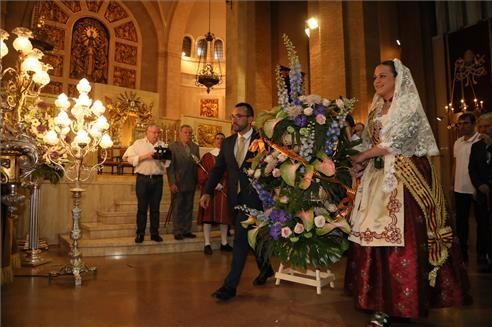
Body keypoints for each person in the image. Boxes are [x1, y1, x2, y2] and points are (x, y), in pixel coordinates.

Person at [344, 59, 472, 326]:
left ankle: (401, 301)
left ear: (397, 78)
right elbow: (372, 141)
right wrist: (361, 163)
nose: (377, 81)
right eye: (374, 77)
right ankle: (376, 298)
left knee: (402, 237)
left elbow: (396, 142)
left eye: (382, 76)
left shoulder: (408, 105)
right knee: (371, 237)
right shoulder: (376, 107)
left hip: (404, 176)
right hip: (377, 179)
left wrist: (363, 156)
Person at [199, 102, 274, 302]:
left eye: (239, 116)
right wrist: (207, 192)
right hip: (235, 198)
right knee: (254, 238)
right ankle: (266, 268)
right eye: (232, 116)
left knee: (240, 240)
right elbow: (218, 170)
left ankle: (230, 286)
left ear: (250, 119)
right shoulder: (229, 142)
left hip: (256, 199)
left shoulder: (263, 141)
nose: (234, 120)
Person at [123, 124, 170, 243]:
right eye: (153, 132)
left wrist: (162, 158)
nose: (156, 135)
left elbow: (167, 163)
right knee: (142, 208)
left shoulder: (163, 145)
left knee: (155, 208)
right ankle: (140, 233)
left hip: (157, 179)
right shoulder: (138, 143)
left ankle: (154, 233)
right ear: (147, 133)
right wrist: (146, 156)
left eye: (158, 133)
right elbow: (128, 157)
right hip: (142, 179)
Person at [197, 132, 233, 255]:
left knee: (224, 217)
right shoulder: (207, 156)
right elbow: (202, 174)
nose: (220, 141)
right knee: (208, 217)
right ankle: (207, 243)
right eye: (217, 138)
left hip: (224, 189)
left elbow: (231, 172)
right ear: (214, 140)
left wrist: (224, 183)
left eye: (222, 139)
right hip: (209, 190)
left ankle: (224, 243)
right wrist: (212, 183)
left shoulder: (229, 156)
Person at [452, 112, 480, 263]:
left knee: (481, 222)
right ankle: (463, 253)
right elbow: (455, 164)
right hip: (459, 188)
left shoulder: (479, 141)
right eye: (460, 124)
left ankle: (483, 254)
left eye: (466, 123)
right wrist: (452, 183)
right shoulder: (457, 142)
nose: (462, 126)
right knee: (461, 223)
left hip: (475, 188)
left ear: (473, 124)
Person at [468, 112, 492, 273]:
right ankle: (483, 257)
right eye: (481, 126)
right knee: (483, 225)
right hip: (483, 192)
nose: (483, 129)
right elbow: (472, 169)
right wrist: (479, 185)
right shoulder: (476, 146)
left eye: (487, 126)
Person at [167, 125, 200, 240]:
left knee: (188, 207)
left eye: (190, 133)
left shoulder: (195, 147)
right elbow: (170, 167)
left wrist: (198, 181)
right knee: (178, 207)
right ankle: (177, 231)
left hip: (191, 181)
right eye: (185, 132)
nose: (188, 135)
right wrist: (172, 183)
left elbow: (198, 166)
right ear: (180, 133)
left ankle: (187, 230)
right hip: (178, 182)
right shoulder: (172, 147)